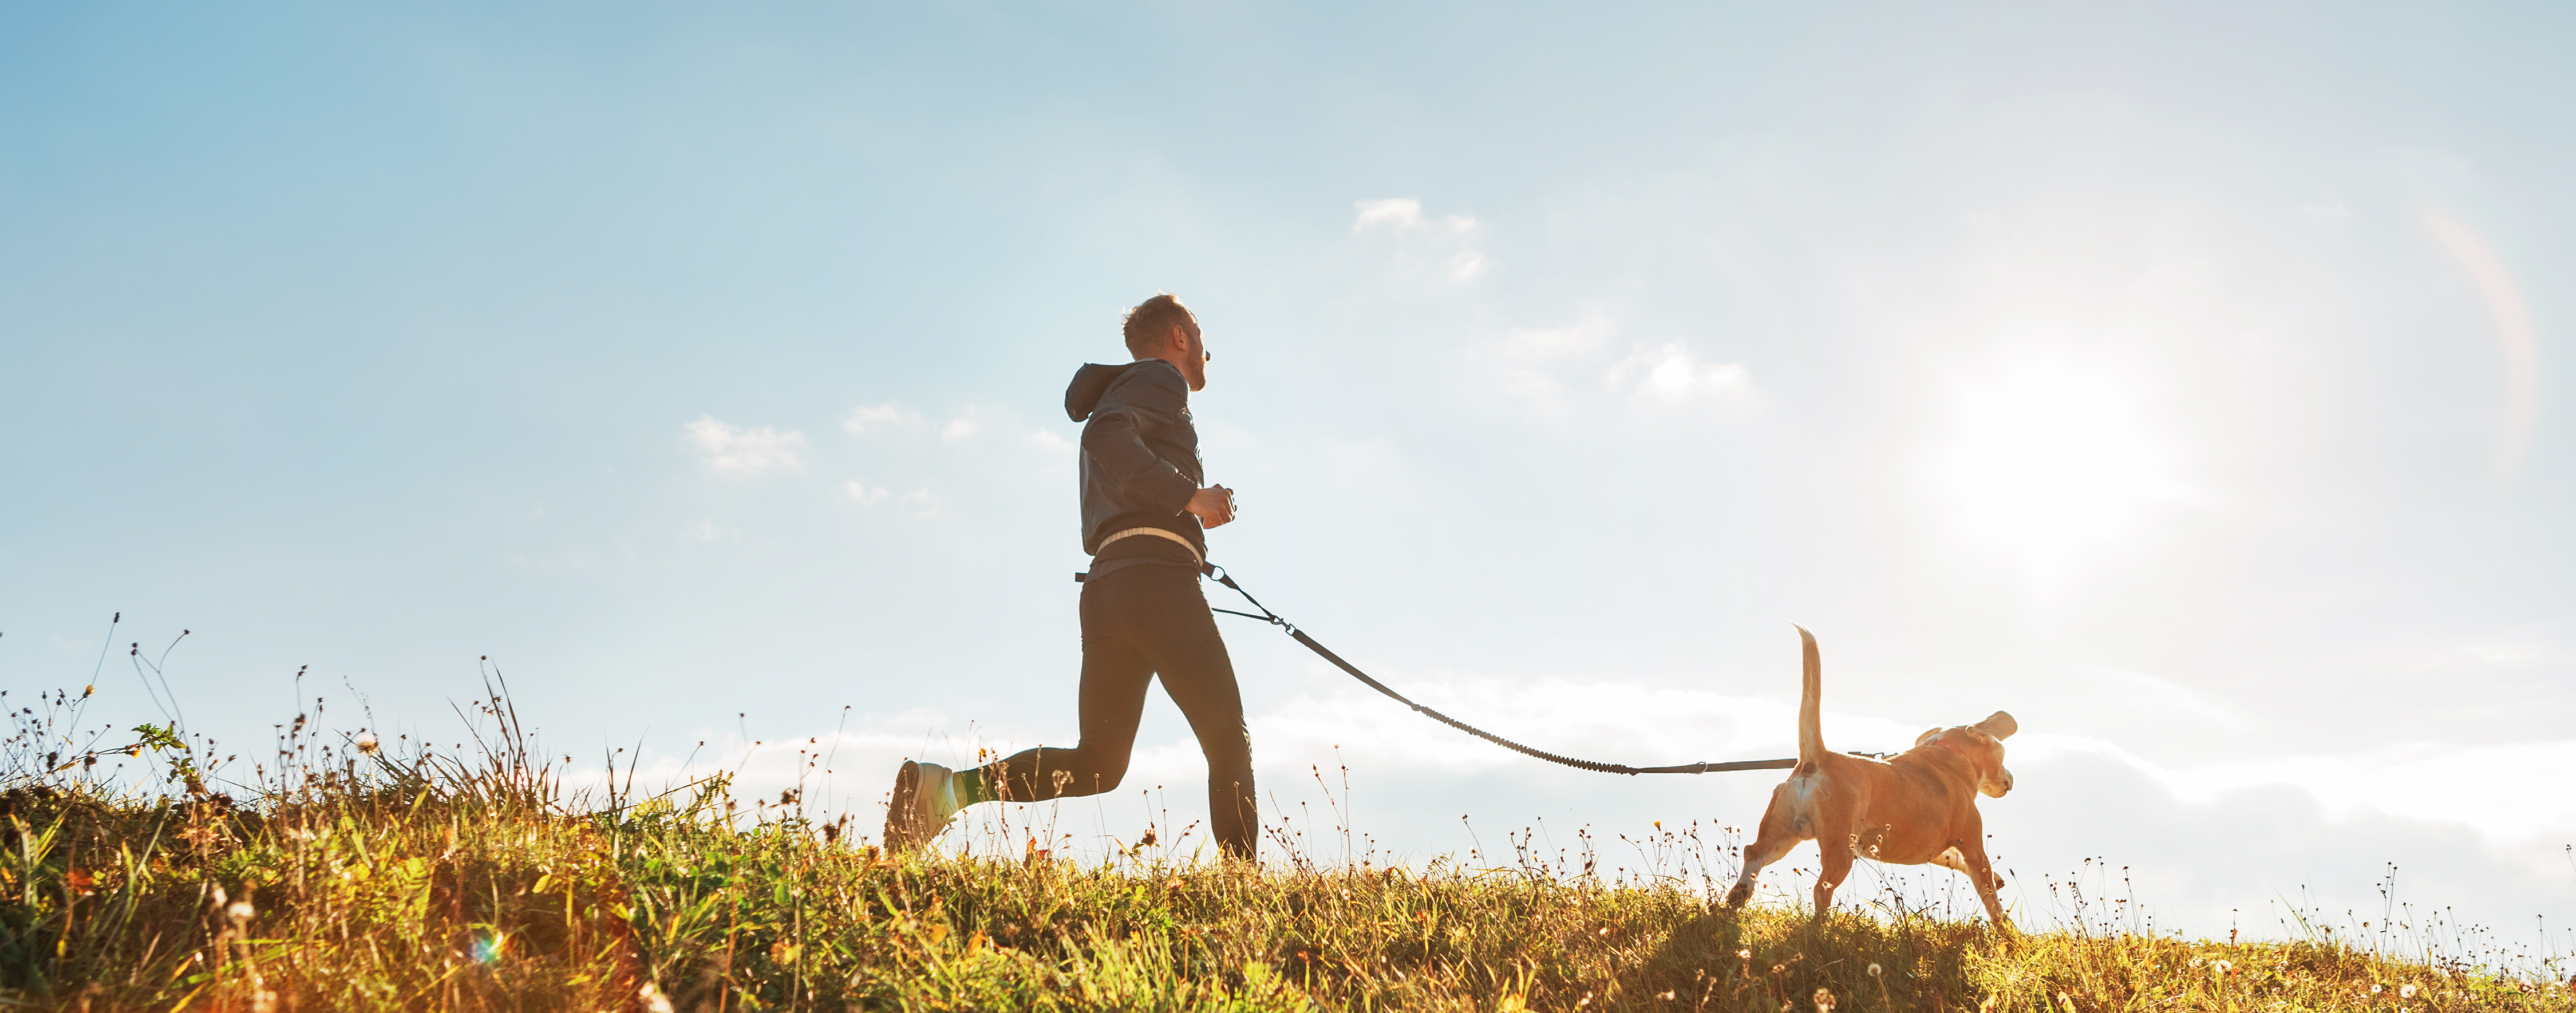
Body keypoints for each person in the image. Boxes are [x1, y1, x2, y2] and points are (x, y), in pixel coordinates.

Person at [883, 293, 1258, 860]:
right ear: (1180, 337)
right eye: (1200, 337)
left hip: (1110, 587)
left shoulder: (1126, 389)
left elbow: (1112, 445)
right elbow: (1105, 436)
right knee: (1228, 737)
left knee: (1099, 763)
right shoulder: (1160, 379)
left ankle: (945, 791)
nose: (1208, 352)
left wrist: (1185, 509)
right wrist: (1191, 496)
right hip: (1156, 583)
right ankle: (1242, 887)